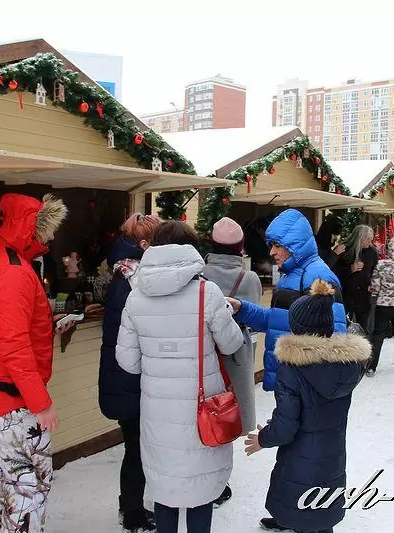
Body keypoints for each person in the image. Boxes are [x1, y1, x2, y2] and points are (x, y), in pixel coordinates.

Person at [115, 221, 244, 533]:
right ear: (190, 249)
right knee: (201, 489)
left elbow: (128, 361)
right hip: (202, 409)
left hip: (157, 412)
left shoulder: (135, 297)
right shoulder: (206, 293)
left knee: (165, 488)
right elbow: (231, 343)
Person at [0, 193, 71, 533]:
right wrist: (40, 404)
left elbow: (12, 332)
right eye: (48, 229)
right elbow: (14, 345)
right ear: (31, 228)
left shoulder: (6, 261)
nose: (52, 237)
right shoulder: (12, 272)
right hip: (14, 401)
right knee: (27, 486)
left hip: (0, 396)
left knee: (2, 481)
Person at [244, 280, 371, 533]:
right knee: (320, 503)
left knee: (302, 500)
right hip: (330, 451)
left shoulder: (293, 369)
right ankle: (289, 520)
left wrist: (264, 438)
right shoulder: (344, 364)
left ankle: (292, 520)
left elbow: (286, 427)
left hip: (301, 453)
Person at [227, 208, 347, 392]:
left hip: (305, 387)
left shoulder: (318, 276)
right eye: (271, 246)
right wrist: (242, 309)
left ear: (294, 244)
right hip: (290, 383)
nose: (272, 252)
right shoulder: (289, 275)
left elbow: (334, 341)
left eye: (277, 245)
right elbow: (278, 321)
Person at [98, 212, 160, 532]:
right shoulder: (133, 280)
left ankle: (133, 505)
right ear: (144, 243)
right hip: (130, 379)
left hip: (126, 377)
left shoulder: (126, 272)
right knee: (137, 448)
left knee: (137, 446)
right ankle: (132, 510)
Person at [202, 216, 263, 507]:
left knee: (204, 411)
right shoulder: (248, 278)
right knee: (228, 413)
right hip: (236, 355)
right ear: (240, 246)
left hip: (205, 353)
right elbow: (254, 317)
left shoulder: (200, 273)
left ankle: (205, 477)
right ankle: (220, 481)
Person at [367, 236, 394, 375]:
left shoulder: (381, 264)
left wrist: (375, 294)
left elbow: (375, 285)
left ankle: (371, 365)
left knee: (378, 334)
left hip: (383, 303)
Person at [329, 224, 377, 327]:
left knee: (363, 327)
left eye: (371, 239)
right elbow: (333, 271)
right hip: (346, 295)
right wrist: (351, 269)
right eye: (367, 239)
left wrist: (373, 283)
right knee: (345, 324)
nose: (370, 242)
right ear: (359, 238)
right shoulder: (343, 250)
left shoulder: (372, 252)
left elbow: (376, 271)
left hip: (364, 295)